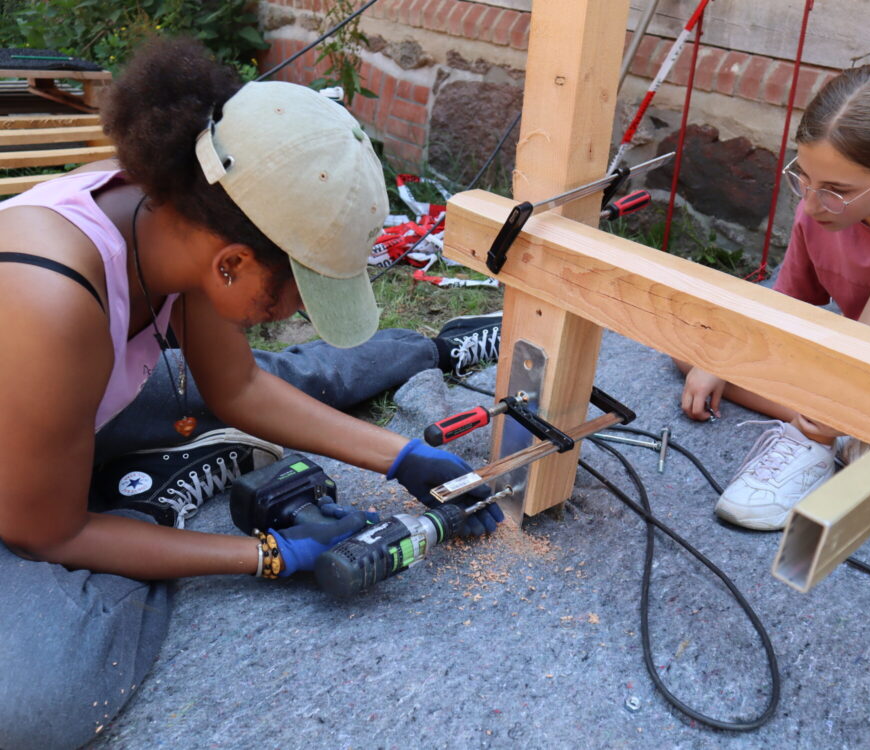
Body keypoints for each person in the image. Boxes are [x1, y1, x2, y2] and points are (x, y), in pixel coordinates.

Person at [0, 37, 503, 748]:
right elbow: (46, 532)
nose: (296, 313)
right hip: (25, 493)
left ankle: (427, 347)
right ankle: (144, 507)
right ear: (234, 266)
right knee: (32, 702)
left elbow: (237, 387)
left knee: (256, 379)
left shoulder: (188, 218)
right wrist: (266, 556)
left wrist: (400, 458)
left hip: (61, 409)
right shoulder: (46, 307)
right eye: (297, 296)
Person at [675, 64, 870, 531]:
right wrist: (719, 355)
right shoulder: (823, 205)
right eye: (803, 177)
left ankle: (817, 433)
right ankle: (863, 435)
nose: (809, 204)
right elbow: (787, 308)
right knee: (693, 343)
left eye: (836, 191)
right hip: (863, 377)